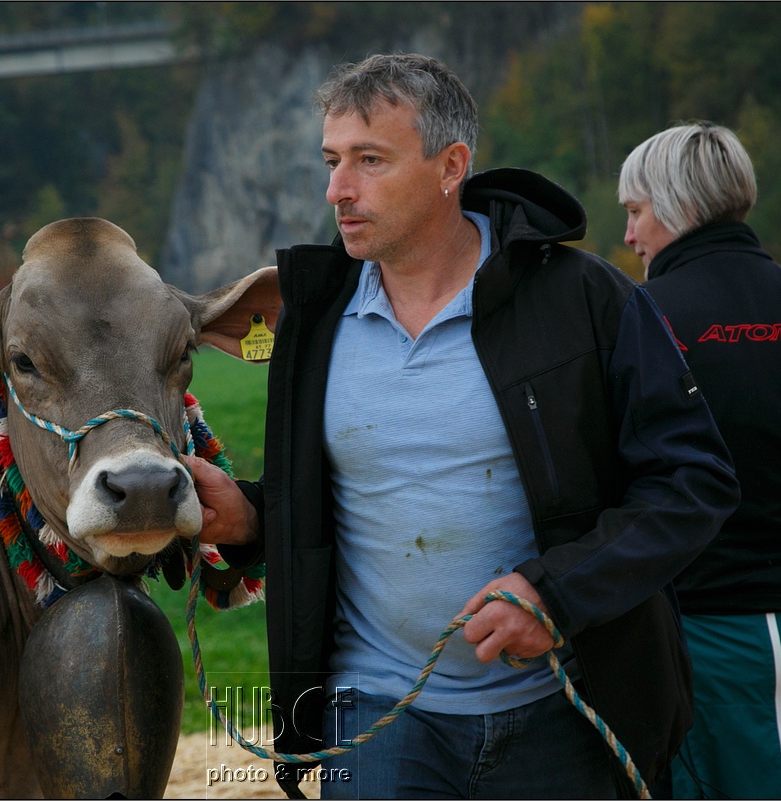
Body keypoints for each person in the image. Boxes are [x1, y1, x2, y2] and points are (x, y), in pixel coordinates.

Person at [188, 54, 740, 799]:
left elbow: (692, 480)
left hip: (560, 706)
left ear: (451, 166)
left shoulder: (583, 300)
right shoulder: (313, 320)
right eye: (331, 161)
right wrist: (250, 517)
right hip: (377, 712)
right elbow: (328, 504)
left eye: (369, 160)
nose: (337, 190)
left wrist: (557, 595)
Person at [620, 122, 781, 799]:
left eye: (636, 211)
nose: (629, 235)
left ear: (675, 205)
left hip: (698, 636)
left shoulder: (639, 316)